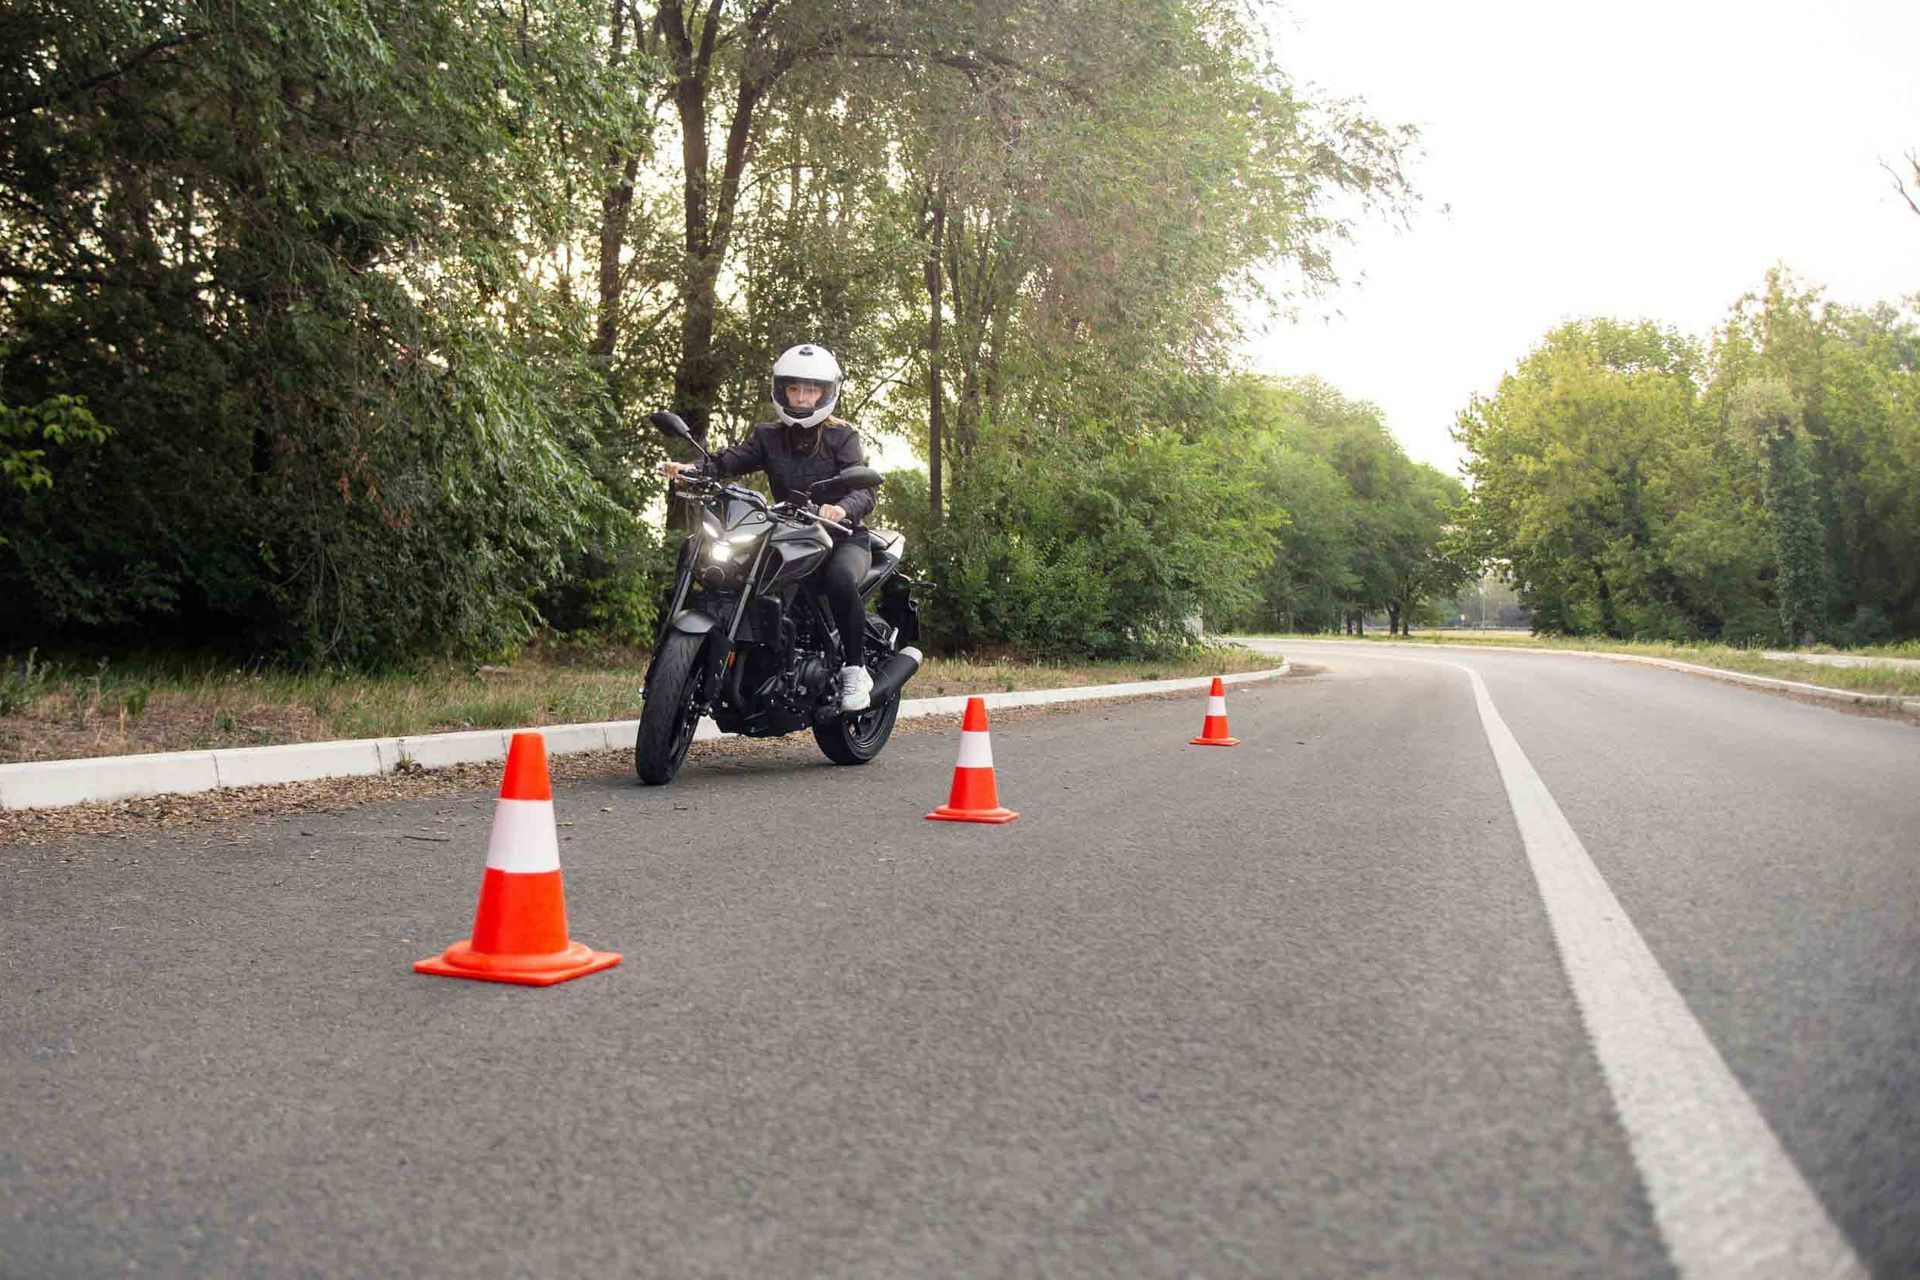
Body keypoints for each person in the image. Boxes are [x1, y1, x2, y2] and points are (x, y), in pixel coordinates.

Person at [659, 344, 878, 711]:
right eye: (794, 388)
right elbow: (728, 461)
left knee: (840, 579)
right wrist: (693, 470)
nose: (802, 397)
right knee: (718, 558)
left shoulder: (843, 436)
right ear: (781, 390)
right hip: (790, 535)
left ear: (826, 393)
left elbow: (864, 489)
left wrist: (841, 509)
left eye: (811, 390)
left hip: (841, 537)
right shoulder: (768, 436)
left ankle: (855, 670)